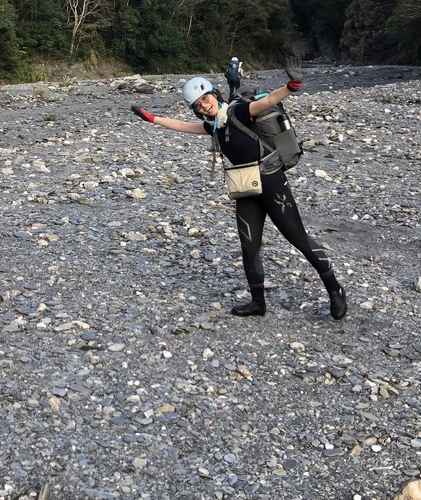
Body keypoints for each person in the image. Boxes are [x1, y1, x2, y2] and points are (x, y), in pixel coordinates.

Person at [131, 59, 347, 320]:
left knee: (298, 239)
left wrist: (293, 85)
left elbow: (267, 102)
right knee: (249, 246)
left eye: (206, 98)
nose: (204, 105)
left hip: (272, 182)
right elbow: (180, 126)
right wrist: (151, 118)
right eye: (198, 105)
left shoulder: (240, 112)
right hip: (246, 188)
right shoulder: (213, 127)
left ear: (215, 94)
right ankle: (258, 302)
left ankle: (335, 290)